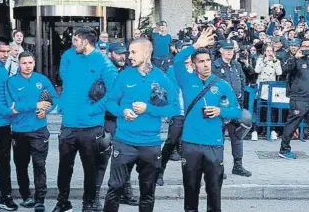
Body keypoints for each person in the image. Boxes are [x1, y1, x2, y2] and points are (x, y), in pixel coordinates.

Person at [103, 38, 179, 212]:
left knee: (148, 191)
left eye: (134, 52)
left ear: (147, 53)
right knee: (115, 187)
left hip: (150, 145)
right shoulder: (124, 76)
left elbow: (174, 108)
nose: (130, 56)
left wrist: (149, 109)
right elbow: (110, 103)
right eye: (129, 52)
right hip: (124, 142)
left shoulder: (162, 78)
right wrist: (123, 111)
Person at [173, 28, 241, 212]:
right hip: (190, 144)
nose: (205, 65)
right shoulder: (186, 80)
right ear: (194, 65)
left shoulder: (222, 84)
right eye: (201, 62)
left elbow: (237, 111)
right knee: (191, 190)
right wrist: (196, 45)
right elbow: (177, 60)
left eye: (208, 61)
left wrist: (220, 110)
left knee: (214, 191)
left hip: (214, 144)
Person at [52, 27, 118, 212]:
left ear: (86, 42)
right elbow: (65, 78)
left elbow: (113, 92)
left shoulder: (104, 63)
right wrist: (64, 105)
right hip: (68, 125)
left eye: (75, 40)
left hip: (91, 126)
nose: (72, 43)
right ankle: (62, 202)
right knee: (64, 168)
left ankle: (88, 203)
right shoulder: (69, 56)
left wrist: (93, 110)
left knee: (90, 169)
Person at [6, 51, 59, 212]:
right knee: (21, 166)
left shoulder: (41, 80)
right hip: (19, 131)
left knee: (39, 165)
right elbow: (12, 106)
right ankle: (26, 196)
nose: (27, 66)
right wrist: (35, 105)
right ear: (18, 64)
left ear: (34, 63)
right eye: (24, 63)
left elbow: (54, 98)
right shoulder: (11, 82)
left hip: (39, 131)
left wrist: (46, 110)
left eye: (30, 63)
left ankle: (40, 199)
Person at [92, 42, 139, 211]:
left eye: (124, 54)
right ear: (110, 54)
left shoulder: (128, 72)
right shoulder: (102, 72)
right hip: (106, 120)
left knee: (125, 158)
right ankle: (94, 197)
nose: (122, 57)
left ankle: (126, 193)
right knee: (101, 160)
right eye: (118, 54)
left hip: (123, 120)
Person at [211, 39, 252, 178]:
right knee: (218, 138)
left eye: (231, 49)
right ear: (221, 50)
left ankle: (238, 166)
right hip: (220, 109)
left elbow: (242, 82)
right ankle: (218, 167)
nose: (229, 51)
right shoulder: (214, 66)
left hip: (235, 107)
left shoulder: (236, 65)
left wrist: (239, 103)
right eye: (226, 49)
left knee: (237, 137)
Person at [156, 43, 194, 186]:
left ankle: (191, 175)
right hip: (178, 112)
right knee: (171, 142)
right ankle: (160, 171)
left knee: (191, 145)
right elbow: (166, 91)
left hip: (192, 114)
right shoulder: (173, 70)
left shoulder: (197, 70)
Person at [279, 39, 309, 160]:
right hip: (298, 99)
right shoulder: (295, 59)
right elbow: (284, 70)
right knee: (292, 125)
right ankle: (284, 150)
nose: (307, 48)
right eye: (304, 46)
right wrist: (295, 58)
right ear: (300, 47)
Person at [0, 36, 19, 211]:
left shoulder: (2, 67)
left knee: (5, 162)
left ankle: (6, 197)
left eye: (8, 51)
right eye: (2, 51)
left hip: (4, 124)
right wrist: (9, 111)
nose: (5, 55)